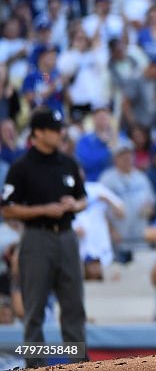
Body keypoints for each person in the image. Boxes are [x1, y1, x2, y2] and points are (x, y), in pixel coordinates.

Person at [1, 107, 88, 365]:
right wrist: (44, 210)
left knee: (74, 308)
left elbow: (84, 199)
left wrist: (75, 205)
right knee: (35, 310)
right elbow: (7, 208)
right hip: (37, 238)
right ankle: (36, 365)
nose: (60, 134)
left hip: (67, 236)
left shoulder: (69, 163)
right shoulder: (22, 167)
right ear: (37, 133)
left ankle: (78, 363)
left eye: (60, 129)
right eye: (53, 129)